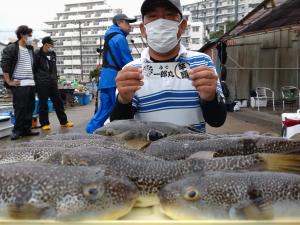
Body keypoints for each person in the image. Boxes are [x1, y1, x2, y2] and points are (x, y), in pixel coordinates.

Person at [110, 0, 227, 132]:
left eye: (170, 14)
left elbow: (217, 121)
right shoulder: (131, 71)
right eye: (152, 16)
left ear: (182, 26)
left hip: (195, 151)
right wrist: (123, 100)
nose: (161, 22)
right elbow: (118, 128)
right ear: (143, 30)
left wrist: (210, 98)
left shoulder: (203, 62)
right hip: (146, 152)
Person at [86, 14, 137, 133]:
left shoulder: (109, 37)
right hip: (116, 80)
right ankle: (120, 135)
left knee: (104, 110)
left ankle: (90, 131)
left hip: (105, 79)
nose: (130, 26)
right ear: (119, 23)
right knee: (119, 111)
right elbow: (127, 62)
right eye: (127, 23)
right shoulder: (119, 38)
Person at [1, 25, 39, 140]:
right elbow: (5, 65)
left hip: (31, 83)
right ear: (22, 35)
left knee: (30, 107)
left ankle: (26, 129)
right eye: (29, 35)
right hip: (19, 83)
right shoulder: (12, 48)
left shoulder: (30, 49)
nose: (30, 37)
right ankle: (17, 130)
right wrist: (9, 81)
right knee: (20, 108)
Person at [34, 36, 74, 130]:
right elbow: (34, 69)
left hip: (52, 82)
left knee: (58, 102)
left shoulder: (53, 54)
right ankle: (44, 124)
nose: (53, 45)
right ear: (46, 44)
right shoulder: (37, 54)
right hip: (42, 83)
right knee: (43, 103)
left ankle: (64, 122)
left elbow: (53, 68)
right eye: (52, 43)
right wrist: (37, 80)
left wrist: (55, 78)